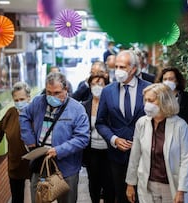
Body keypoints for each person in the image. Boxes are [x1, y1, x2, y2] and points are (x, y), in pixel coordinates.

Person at [19, 72, 90, 203]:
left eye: (57, 93)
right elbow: (24, 115)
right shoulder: (38, 102)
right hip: (41, 163)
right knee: (38, 199)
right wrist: (29, 139)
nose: (52, 97)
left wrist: (58, 150)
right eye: (49, 92)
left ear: (66, 89)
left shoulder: (77, 109)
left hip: (66, 168)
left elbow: (82, 138)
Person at [96, 50, 151, 203]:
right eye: (116, 67)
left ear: (133, 69)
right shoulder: (108, 91)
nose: (118, 71)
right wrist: (114, 139)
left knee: (144, 197)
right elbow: (100, 122)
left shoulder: (149, 89)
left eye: (122, 67)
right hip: (117, 156)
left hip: (144, 155)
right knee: (121, 196)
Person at [125, 83, 188, 203]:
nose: (147, 104)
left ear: (164, 101)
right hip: (147, 184)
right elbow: (135, 155)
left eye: (151, 100)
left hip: (171, 185)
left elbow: (186, 159)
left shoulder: (180, 126)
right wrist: (130, 184)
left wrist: (181, 190)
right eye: (145, 100)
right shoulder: (142, 123)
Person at [0, 81, 31, 203]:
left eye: (22, 99)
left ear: (29, 98)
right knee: (17, 198)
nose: (19, 102)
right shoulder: (11, 113)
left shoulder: (35, 113)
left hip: (34, 164)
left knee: (38, 196)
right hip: (16, 163)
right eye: (16, 100)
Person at [82, 73, 115, 203]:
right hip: (92, 150)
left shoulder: (112, 105)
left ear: (106, 86)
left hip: (109, 150)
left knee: (109, 182)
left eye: (100, 84)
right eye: (94, 84)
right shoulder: (84, 106)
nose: (96, 87)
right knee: (93, 181)